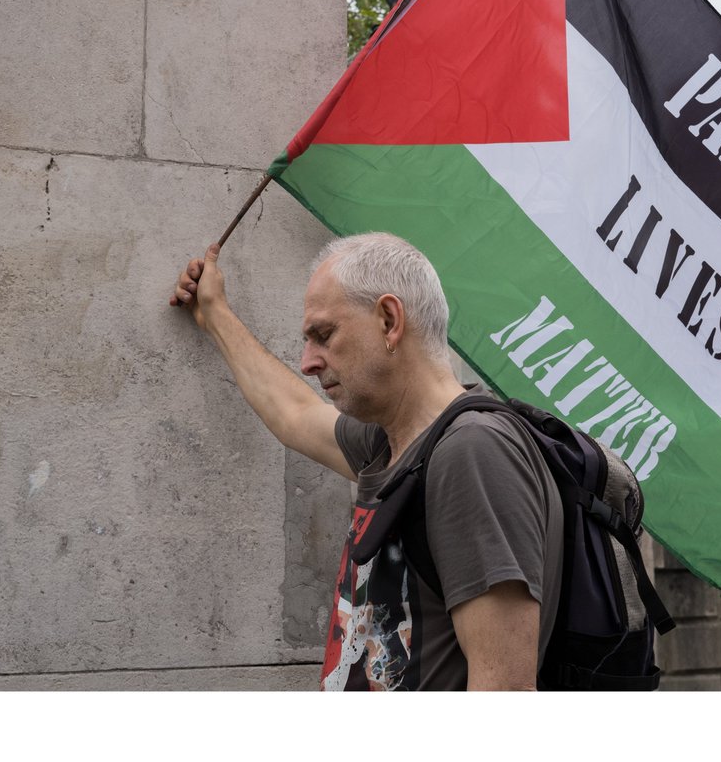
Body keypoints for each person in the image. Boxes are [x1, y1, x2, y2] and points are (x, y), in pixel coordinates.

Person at [170, 232, 562, 690]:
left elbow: (505, 692)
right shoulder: (395, 442)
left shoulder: (471, 451)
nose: (308, 362)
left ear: (389, 320)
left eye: (323, 335)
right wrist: (214, 314)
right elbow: (295, 415)